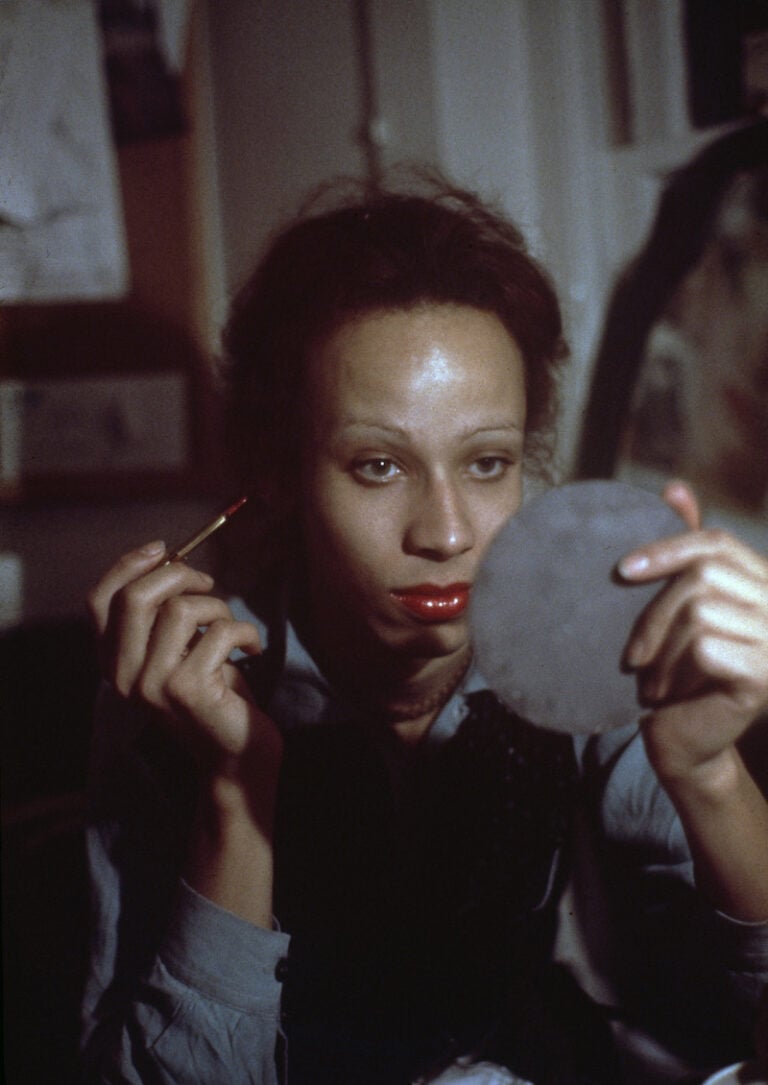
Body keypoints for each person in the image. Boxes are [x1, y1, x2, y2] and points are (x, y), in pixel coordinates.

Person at [81, 177, 768, 1084]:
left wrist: (712, 773)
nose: (445, 533)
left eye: (487, 463)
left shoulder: (580, 641)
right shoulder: (179, 685)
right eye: (377, 465)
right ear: (281, 474)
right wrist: (236, 792)